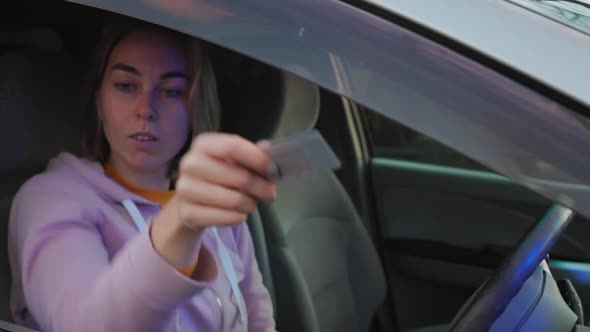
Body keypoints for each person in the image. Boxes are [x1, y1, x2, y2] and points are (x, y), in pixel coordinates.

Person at [8, 22, 277, 332]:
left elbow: (259, 319)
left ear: (195, 109)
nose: (146, 109)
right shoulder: (50, 199)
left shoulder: (217, 204)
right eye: (126, 85)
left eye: (171, 91)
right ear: (98, 101)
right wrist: (179, 224)